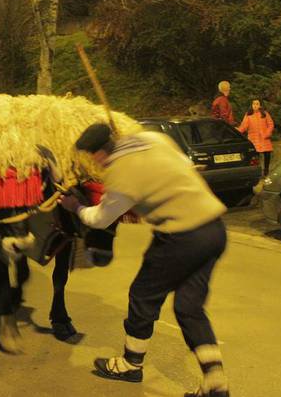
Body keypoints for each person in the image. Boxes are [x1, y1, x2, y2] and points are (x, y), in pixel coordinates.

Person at [60, 124, 230, 397]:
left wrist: (76, 207)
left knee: (143, 295)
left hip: (179, 236)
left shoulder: (119, 174)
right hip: (214, 229)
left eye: (92, 157)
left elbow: (101, 220)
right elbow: (184, 165)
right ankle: (215, 383)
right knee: (189, 307)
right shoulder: (153, 139)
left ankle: (130, 363)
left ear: (98, 154)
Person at [237, 99, 274, 176]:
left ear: (260, 105)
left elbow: (270, 124)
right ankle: (256, 173)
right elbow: (243, 126)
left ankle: (266, 171)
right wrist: (236, 131)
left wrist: (267, 134)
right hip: (253, 139)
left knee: (267, 154)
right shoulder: (248, 115)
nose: (255, 105)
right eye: (253, 104)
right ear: (251, 105)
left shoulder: (265, 114)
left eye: (257, 104)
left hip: (264, 138)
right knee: (254, 157)